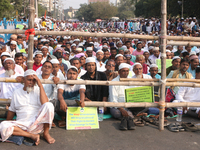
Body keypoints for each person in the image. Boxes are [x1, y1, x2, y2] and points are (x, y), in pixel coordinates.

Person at [0, 69, 55, 145]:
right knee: (3, 125)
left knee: (49, 105)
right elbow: (12, 110)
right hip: (21, 125)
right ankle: (31, 135)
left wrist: (40, 85)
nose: (31, 83)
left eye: (34, 80)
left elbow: (45, 104)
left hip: (36, 125)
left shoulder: (39, 90)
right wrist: (8, 122)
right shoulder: (16, 92)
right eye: (29, 80)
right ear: (23, 79)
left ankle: (46, 133)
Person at [109, 63, 135, 130]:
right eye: (123, 71)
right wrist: (122, 109)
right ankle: (129, 118)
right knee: (117, 113)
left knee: (145, 107)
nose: (125, 73)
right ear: (119, 72)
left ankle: (127, 118)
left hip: (129, 105)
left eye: (127, 71)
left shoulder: (131, 80)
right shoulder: (114, 82)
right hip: (117, 106)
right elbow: (113, 99)